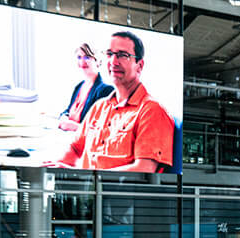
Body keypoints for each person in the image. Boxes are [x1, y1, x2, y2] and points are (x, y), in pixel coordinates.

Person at [54, 31, 175, 172]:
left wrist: (88, 176)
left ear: (139, 66)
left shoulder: (151, 111)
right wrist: (57, 166)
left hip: (110, 185)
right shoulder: (99, 107)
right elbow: (75, 148)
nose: (113, 62)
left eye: (123, 55)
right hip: (88, 183)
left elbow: (144, 168)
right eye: (109, 54)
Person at [56, 43, 113, 132]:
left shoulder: (106, 90)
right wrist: (64, 118)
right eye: (79, 57)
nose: (82, 62)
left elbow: (103, 129)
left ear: (98, 61)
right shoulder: (79, 86)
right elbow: (68, 111)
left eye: (87, 57)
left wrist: (76, 127)